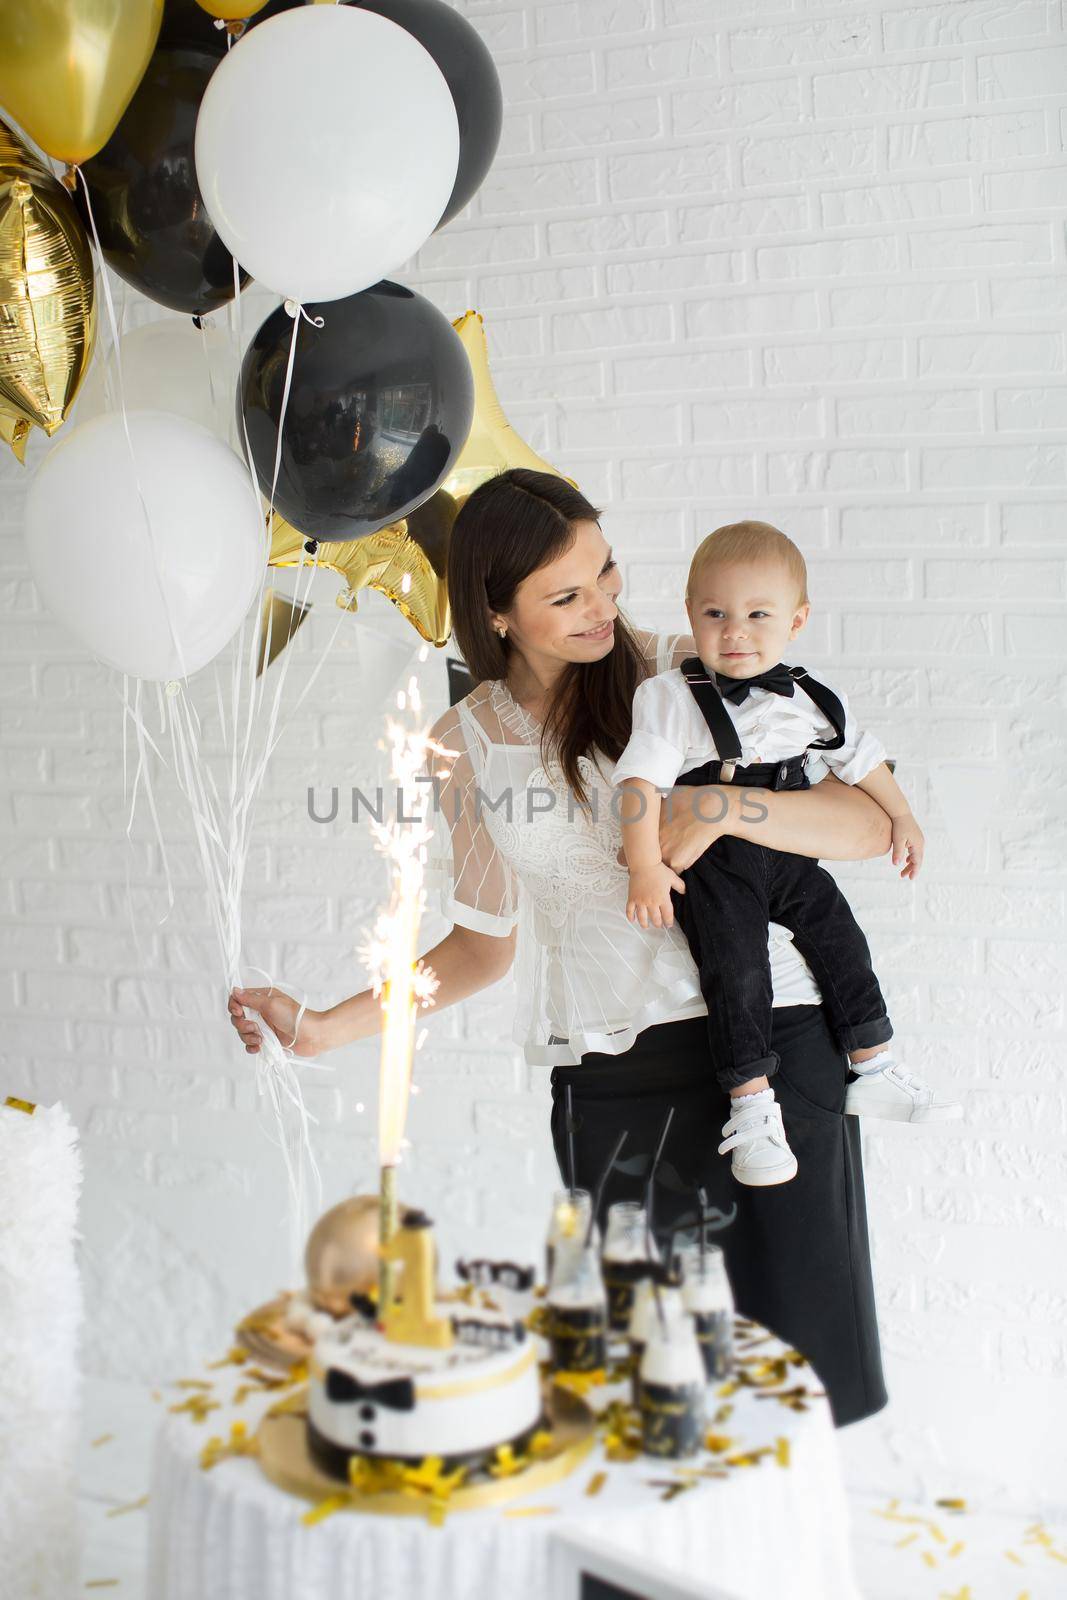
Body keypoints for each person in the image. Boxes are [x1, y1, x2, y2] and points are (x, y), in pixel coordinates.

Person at [227, 468, 896, 1426]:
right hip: (609, 1076)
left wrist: (720, 804)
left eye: (608, 576)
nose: (605, 607)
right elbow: (479, 947)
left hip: (774, 1047)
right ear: (495, 614)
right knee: (647, 1388)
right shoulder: (465, 741)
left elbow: (867, 824)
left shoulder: (694, 669)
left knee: (798, 1377)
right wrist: (330, 1028)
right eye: (567, 594)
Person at [611, 519, 962, 1189]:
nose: (733, 631)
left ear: (796, 621)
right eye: (714, 613)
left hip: (783, 840)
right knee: (737, 969)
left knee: (837, 935)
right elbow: (637, 785)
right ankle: (749, 1106)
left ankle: (873, 1061)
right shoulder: (666, 697)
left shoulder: (810, 697)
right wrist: (643, 866)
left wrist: (904, 815)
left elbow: (859, 761)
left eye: (755, 615)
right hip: (711, 859)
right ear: (690, 613)